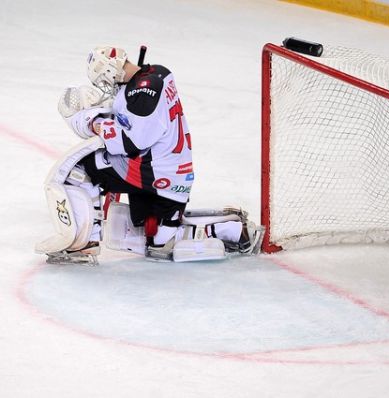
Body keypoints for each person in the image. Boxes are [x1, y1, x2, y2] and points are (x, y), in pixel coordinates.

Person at [36, 46, 258, 264]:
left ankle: (84, 243)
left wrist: (93, 121)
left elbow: (131, 142)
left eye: (106, 80)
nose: (108, 86)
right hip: (172, 175)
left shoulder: (143, 90)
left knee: (80, 170)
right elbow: (137, 117)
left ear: (111, 71)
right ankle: (232, 228)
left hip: (152, 173)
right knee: (159, 242)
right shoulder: (157, 74)